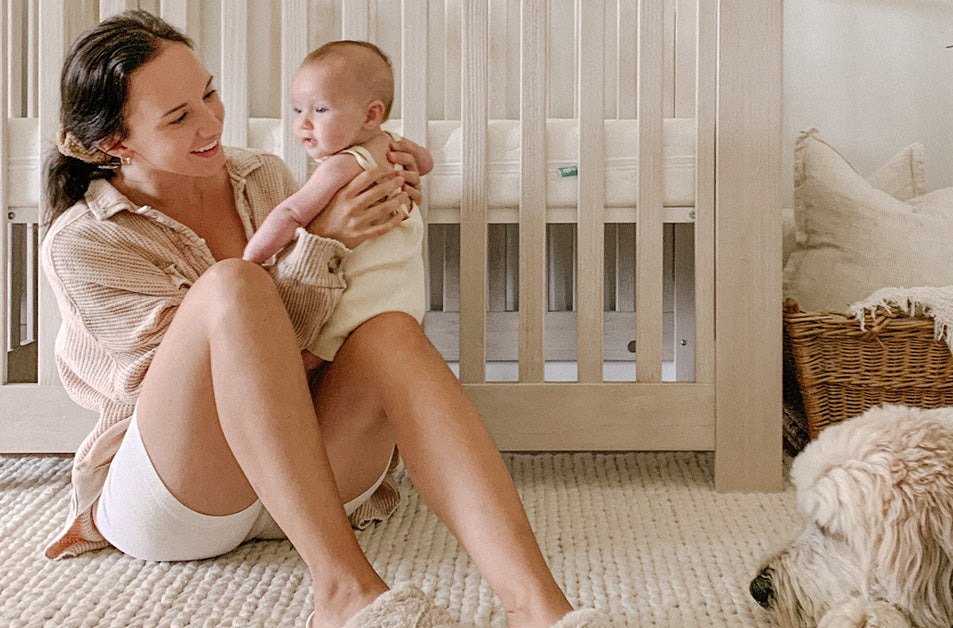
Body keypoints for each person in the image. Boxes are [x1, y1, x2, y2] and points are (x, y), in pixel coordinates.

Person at [42, 10, 601, 628]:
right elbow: (190, 388)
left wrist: (381, 207)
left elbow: (327, 329)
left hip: (307, 474)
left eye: (209, 93)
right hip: (183, 497)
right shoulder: (84, 240)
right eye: (179, 117)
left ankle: (540, 608)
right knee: (233, 284)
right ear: (114, 144)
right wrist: (324, 242)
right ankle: (343, 592)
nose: (211, 123)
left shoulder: (261, 175)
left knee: (389, 332)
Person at [243, 40, 427, 370]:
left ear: (371, 115)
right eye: (297, 110)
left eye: (320, 110)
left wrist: (250, 260)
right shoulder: (392, 144)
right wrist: (410, 162)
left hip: (364, 286)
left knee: (316, 348)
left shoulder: (341, 165)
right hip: (403, 289)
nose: (303, 123)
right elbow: (425, 162)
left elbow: (292, 213)